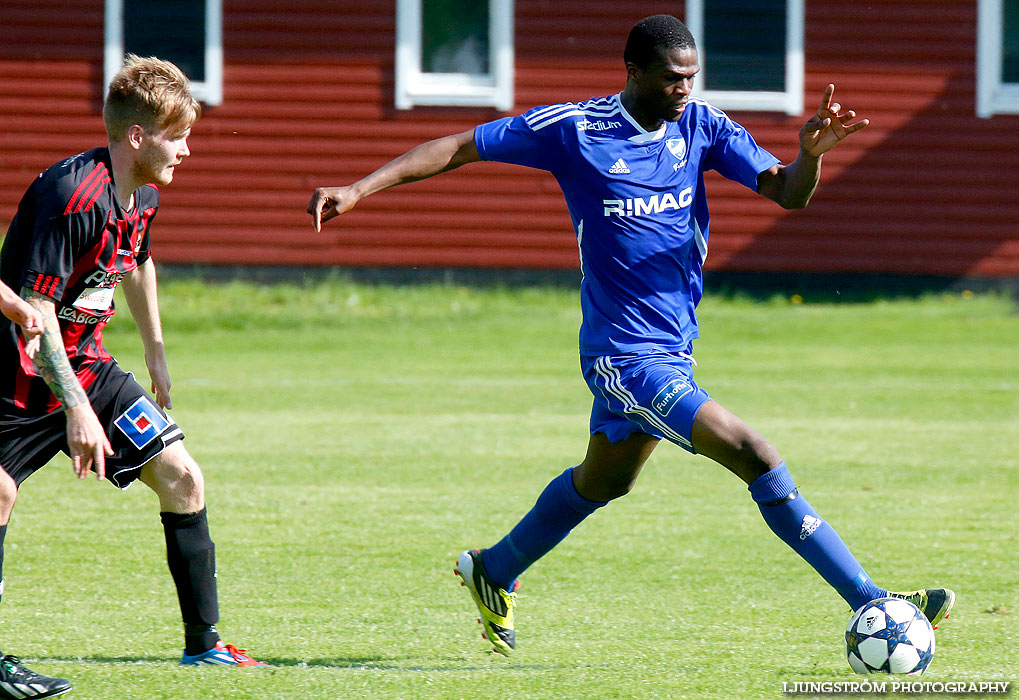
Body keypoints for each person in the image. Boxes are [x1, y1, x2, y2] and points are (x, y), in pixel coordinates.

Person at [307, 15, 954, 656]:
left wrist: (807, 157)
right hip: (622, 358)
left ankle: (493, 568)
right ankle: (871, 599)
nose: (684, 91)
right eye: (673, 79)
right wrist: (359, 189)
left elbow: (786, 193)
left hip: (672, 351)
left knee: (604, 481)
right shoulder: (574, 130)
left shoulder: (702, 128)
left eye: (691, 79)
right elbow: (457, 145)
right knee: (753, 452)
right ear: (634, 71)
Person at [0, 54, 265, 697]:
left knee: (182, 476)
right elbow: (33, 313)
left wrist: (156, 352)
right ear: (138, 137)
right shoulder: (70, 196)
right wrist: (79, 413)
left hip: (87, 365)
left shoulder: (140, 194)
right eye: (178, 137)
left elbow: (138, 260)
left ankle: (203, 647)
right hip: (16, 376)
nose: (188, 151)